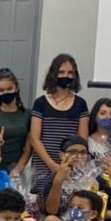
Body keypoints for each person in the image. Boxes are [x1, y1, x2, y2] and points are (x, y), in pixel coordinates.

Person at [28, 53, 89, 186]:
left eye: (70, 72)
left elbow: (82, 139)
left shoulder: (81, 104)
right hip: (43, 166)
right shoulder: (40, 103)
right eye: (61, 72)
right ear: (53, 74)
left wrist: (70, 164)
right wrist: (52, 165)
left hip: (71, 167)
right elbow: (34, 138)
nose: (66, 76)